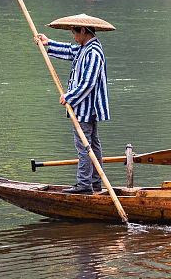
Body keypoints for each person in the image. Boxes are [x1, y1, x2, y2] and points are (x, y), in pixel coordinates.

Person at [35, 13, 115, 194]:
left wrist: (69, 97)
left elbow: (88, 83)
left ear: (84, 31)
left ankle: (85, 185)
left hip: (86, 109)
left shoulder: (94, 52)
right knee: (92, 146)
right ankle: (95, 184)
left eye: (74, 32)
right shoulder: (84, 48)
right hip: (83, 108)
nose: (73, 36)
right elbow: (70, 50)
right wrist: (48, 43)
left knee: (85, 146)